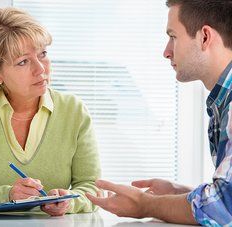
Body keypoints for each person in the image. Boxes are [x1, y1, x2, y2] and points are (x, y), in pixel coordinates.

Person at [86, 0, 232, 225]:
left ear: (204, 37)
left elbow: (224, 206)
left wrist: (144, 204)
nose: (166, 52)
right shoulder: (222, 101)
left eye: (173, 36)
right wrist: (175, 193)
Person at [0, 7, 100, 216]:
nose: (41, 68)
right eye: (23, 61)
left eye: (42, 54)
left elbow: (92, 187)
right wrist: (6, 195)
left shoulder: (73, 111)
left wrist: (70, 202)